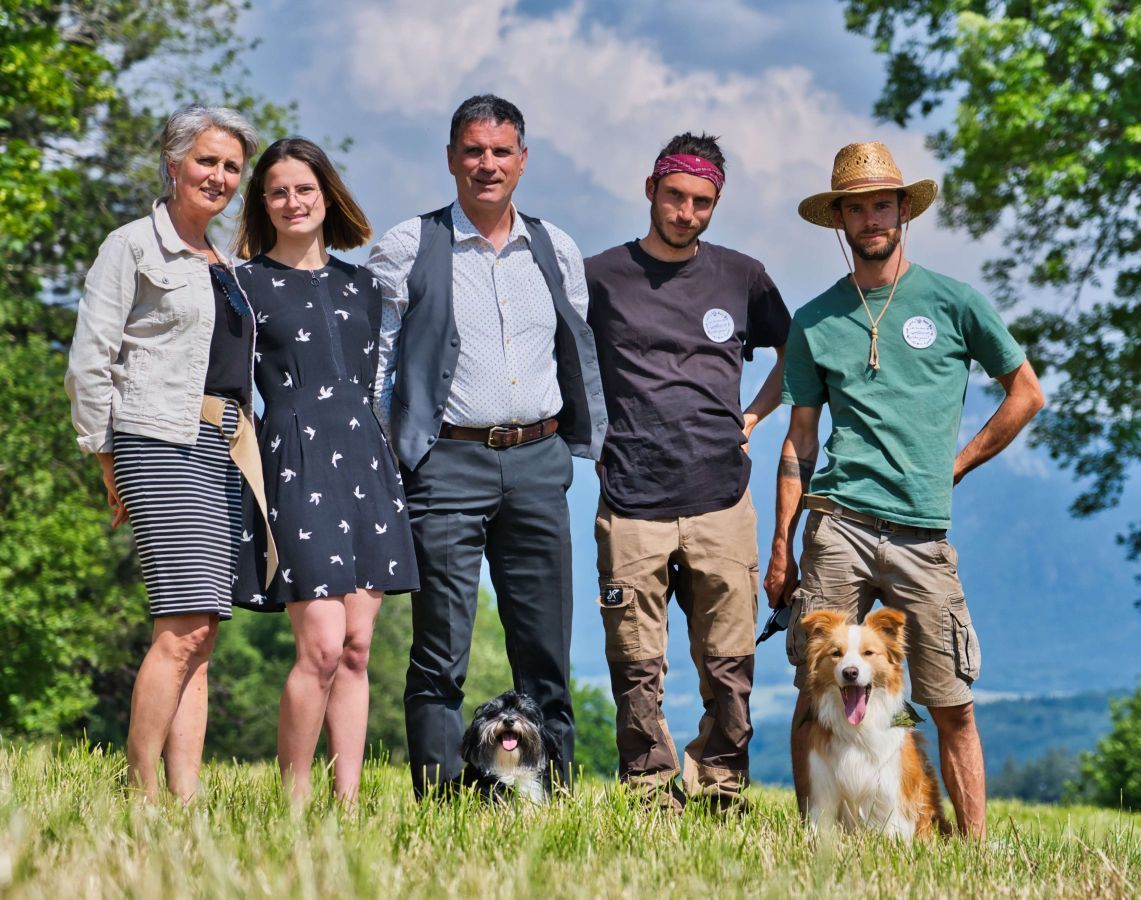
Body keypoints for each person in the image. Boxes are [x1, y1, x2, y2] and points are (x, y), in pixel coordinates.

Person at [763, 141, 1044, 838]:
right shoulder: (814, 319)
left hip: (922, 534)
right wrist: (780, 547)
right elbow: (798, 441)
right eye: (854, 208)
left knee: (950, 701)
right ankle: (816, 837)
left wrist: (954, 464)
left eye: (881, 204)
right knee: (814, 692)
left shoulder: (952, 303)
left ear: (902, 211)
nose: (870, 219)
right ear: (839, 221)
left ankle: (970, 849)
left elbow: (1025, 393)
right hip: (836, 523)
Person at [367, 94, 607, 798]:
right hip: (445, 460)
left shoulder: (555, 248)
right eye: (473, 151)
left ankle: (551, 794)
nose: (486, 164)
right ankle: (442, 801)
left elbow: (573, 350)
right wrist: (395, 457)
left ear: (522, 161)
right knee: (439, 650)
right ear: (450, 159)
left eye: (500, 152)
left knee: (544, 650)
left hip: (538, 459)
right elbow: (380, 366)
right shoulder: (408, 244)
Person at [585, 134, 791, 811]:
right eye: (674, 196)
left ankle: (718, 788)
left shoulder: (743, 275)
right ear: (650, 189)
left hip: (721, 498)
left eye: (701, 202)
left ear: (715, 204)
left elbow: (796, 351)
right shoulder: (599, 276)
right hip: (630, 494)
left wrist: (754, 417)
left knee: (729, 665)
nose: (685, 212)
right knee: (636, 664)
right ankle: (647, 792)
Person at [65, 105, 264, 801]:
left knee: (202, 631)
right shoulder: (132, 246)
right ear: (175, 162)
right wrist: (106, 457)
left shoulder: (226, 263)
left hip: (221, 447)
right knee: (182, 625)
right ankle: (140, 790)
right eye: (207, 160)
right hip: (156, 439)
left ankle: (186, 799)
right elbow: (90, 358)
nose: (218, 176)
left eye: (232, 166)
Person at [232, 138, 419, 803]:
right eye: (278, 191)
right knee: (320, 646)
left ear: (326, 194)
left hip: (366, 462)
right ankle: (294, 800)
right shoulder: (240, 284)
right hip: (293, 461)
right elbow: (222, 385)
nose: (292, 202)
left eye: (303, 189)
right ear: (264, 203)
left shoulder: (365, 286)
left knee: (359, 648)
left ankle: (347, 803)